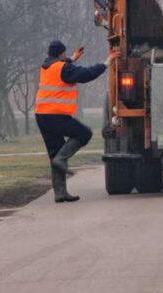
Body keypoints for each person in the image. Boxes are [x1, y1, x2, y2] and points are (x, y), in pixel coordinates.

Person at [35, 40, 118, 203]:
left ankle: (60, 193)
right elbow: (86, 74)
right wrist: (106, 62)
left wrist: (73, 58)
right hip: (56, 115)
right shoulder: (64, 68)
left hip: (42, 116)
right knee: (84, 134)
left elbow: (63, 69)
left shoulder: (46, 66)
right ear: (61, 53)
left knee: (55, 152)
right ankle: (61, 160)